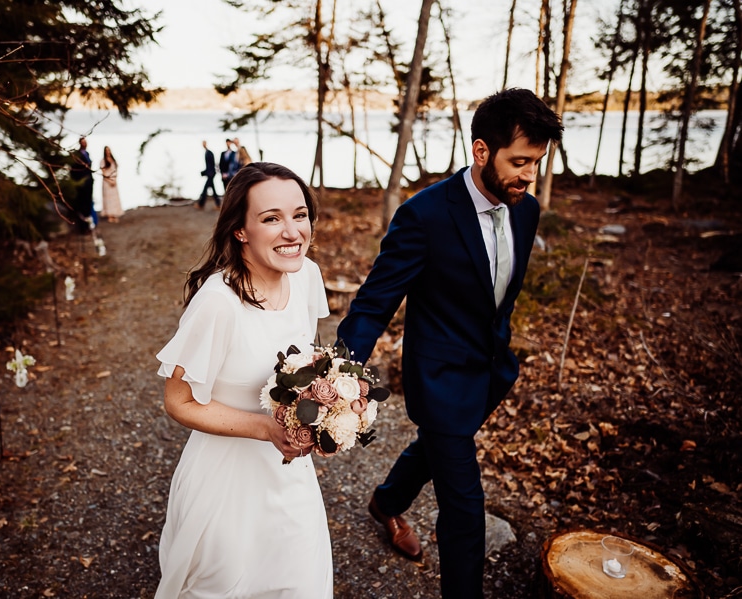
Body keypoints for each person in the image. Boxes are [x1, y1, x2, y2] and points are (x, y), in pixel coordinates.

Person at [336, 88, 563, 599]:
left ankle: (386, 500)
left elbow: (497, 296)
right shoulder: (425, 215)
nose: (530, 176)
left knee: (437, 446)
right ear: (481, 151)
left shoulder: (524, 210)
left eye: (538, 163)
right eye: (520, 161)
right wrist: (340, 374)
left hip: (489, 372)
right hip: (437, 378)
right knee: (464, 507)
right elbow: (375, 303)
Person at [154, 162, 333, 598]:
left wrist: (333, 406)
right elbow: (178, 402)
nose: (292, 231)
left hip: (290, 473)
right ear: (240, 230)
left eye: (300, 214)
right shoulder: (218, 302)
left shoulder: (305, 276)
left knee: (299, 581)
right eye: (271, 218)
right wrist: (266, 428)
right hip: (226, 481)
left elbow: (304, 361)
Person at [69, 136, 95, 233]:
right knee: (82, 205)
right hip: (82, 185)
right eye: (83, 142)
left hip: (89, 183)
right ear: (80, 143)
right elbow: (73, 171)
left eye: (86, 142)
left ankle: (88, 226)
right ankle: (83, 228)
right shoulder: (77, 155)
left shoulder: (86, 153)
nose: (85, 144)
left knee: (88, 205)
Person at [99, 146, 124, 223]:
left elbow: (115, 170)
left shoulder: (113, 160)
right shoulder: (103, 161)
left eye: (109, 150)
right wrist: (109, 180)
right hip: (107, 181)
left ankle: (114, 213)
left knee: (114, 198)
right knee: (108, 198)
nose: (108, 152)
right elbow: (103, 173)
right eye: (106, 150)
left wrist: (114, 180)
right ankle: (109, 214)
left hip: (114, 180)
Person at [197, 140, 219, 210]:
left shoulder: (209, 153)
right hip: (210, 174)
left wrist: (208, 173)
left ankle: (201, 204)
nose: (203, 145)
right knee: (212, 190)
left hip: (210, 174)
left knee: (205, 189)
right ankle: (218, 204)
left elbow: (211, 165)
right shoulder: (207, 152)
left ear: (206, 144)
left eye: (204, 143)